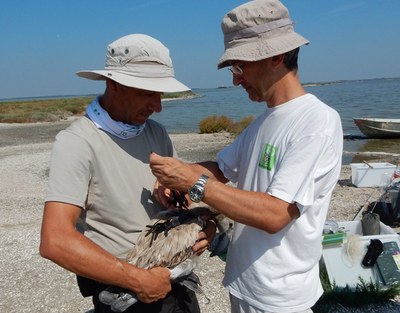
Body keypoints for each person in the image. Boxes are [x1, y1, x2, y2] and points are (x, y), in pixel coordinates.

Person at [149, 1, 343, 312]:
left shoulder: (316, 122)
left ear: (276, 57)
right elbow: (221, 168)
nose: (236, 80)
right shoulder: (266, 121)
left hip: (279, 297)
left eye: (240, 67)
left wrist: (193, 182)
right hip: (246, 284)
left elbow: (275, 215)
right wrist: (177, 178)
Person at [39, 33, 215, 313]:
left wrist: (205, 228)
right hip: (126, 295)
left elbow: (188, 199)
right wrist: (139, 280)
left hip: (178, 286)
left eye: (160, 94)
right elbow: (55, 240)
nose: (157, 106)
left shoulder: (156, 132)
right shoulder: (77, 142)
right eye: (148, 92)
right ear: (114, 83)